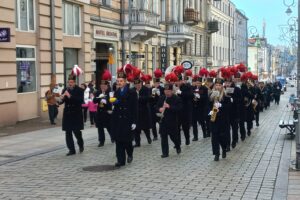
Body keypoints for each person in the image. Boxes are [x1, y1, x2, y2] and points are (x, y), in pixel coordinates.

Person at [111, 65, 138, 167]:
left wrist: (135, 122)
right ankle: (120, 160)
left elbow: (135, 108)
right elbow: (115, 104)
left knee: (127, 141)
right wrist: (113, 102)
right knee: (118, 141)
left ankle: (130, 153)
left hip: (128, 119)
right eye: (118, 81)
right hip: (118, 120)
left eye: (121, 81)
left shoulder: (132, 92)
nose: (119, 83)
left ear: (126, 81)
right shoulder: (116, 92)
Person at [156, 79, 182, 158]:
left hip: (172, 121)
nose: (167, 92)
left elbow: (179, 108)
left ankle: (177, 146)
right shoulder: (162, 98)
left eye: (168, 91)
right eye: (165, 91)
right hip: (163, 121)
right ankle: (165, 153)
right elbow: (156, 106)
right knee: (163, 137)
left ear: (172, 91)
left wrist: (169, 107)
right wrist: (159, 109)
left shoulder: (176, 98)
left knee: (173, 137)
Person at [61, 74, 84, 156]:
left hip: (76, 114)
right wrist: (59, 100)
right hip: (67, 113)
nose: (70, 84)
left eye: (71, 82)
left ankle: (81, 144)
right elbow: (61, 101)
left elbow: (80, 101)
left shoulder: (80, 90)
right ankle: (71, 149)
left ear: (75, 82)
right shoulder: (65, 89)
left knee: (77, 131)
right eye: (69, 82)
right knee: (68, 132)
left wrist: (70, 96)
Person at [209, 77, 231, 161]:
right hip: (213, 119)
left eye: (219, 85)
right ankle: (216, 154)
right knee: (214, 137)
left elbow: (229, 108)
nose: (217, 87)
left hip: (223, 120)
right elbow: (207, 108)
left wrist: (221, 106)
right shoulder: (211, 95)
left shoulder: (226, 96)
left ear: (222, 86)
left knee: (222, 137)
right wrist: (210, 113)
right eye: (216, 85)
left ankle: (224, 148)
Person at [93, 70, 114, 147]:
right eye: (101, 86)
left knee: (109, 127)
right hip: (100, 112)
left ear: (107, 86)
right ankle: (101, 141)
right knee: (100, 127)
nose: (102, 87)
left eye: (104, 86)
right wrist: (99, 97)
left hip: (107, 112)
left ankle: (113, 137)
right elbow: (94, 101)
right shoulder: (98, 92)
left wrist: (103, 100)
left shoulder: (110, 92)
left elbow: (111, 103)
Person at [174, 66, 193, 146]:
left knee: (185, 127)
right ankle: (178, 142)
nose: (178, 82)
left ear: (182, 80)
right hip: (177, 110)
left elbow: (190, 95)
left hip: (185, 109)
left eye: (179, 81)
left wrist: (181, 92)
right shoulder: (173, 87)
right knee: (176, 127)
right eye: (176, 81)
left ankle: (187, 139)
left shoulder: (187, 86)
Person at [133, 75, 152, 147]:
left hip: (144, 111)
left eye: (138, 84)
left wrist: (139, 97)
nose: (137, 86)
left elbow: (148, 98)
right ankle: (137, 143)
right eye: (136, 84)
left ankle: (148, 138)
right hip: (135, 112)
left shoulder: (145, 89)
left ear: (141, 84)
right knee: (136, 129)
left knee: (145, 127)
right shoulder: (132, 90)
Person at [191, 74, 209, 140]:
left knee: (201, 121)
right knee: (194, 122)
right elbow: (190, 95)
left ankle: (204, 133)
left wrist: (200, 97)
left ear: (201, 83)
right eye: (197, 83)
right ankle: (195, 136)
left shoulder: (204, 88)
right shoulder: (192, 88)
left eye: (199, 83)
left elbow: (206, 97)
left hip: (201, 107)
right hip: (194, 107)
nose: (197, 84)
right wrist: (193, 98)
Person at [149, 69, 164, 141]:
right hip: (152, 108)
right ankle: (155, 136)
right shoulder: (151, 89)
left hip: (159, 107)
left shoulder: (162, 89)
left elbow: (164, 97)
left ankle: (161, 133)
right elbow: (149, 98)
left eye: (157, 83)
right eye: (155, 83)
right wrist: (152, 95)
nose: (156, 84)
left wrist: (159, 94)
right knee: (152, 123)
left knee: (160, 122)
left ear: (159, 83)